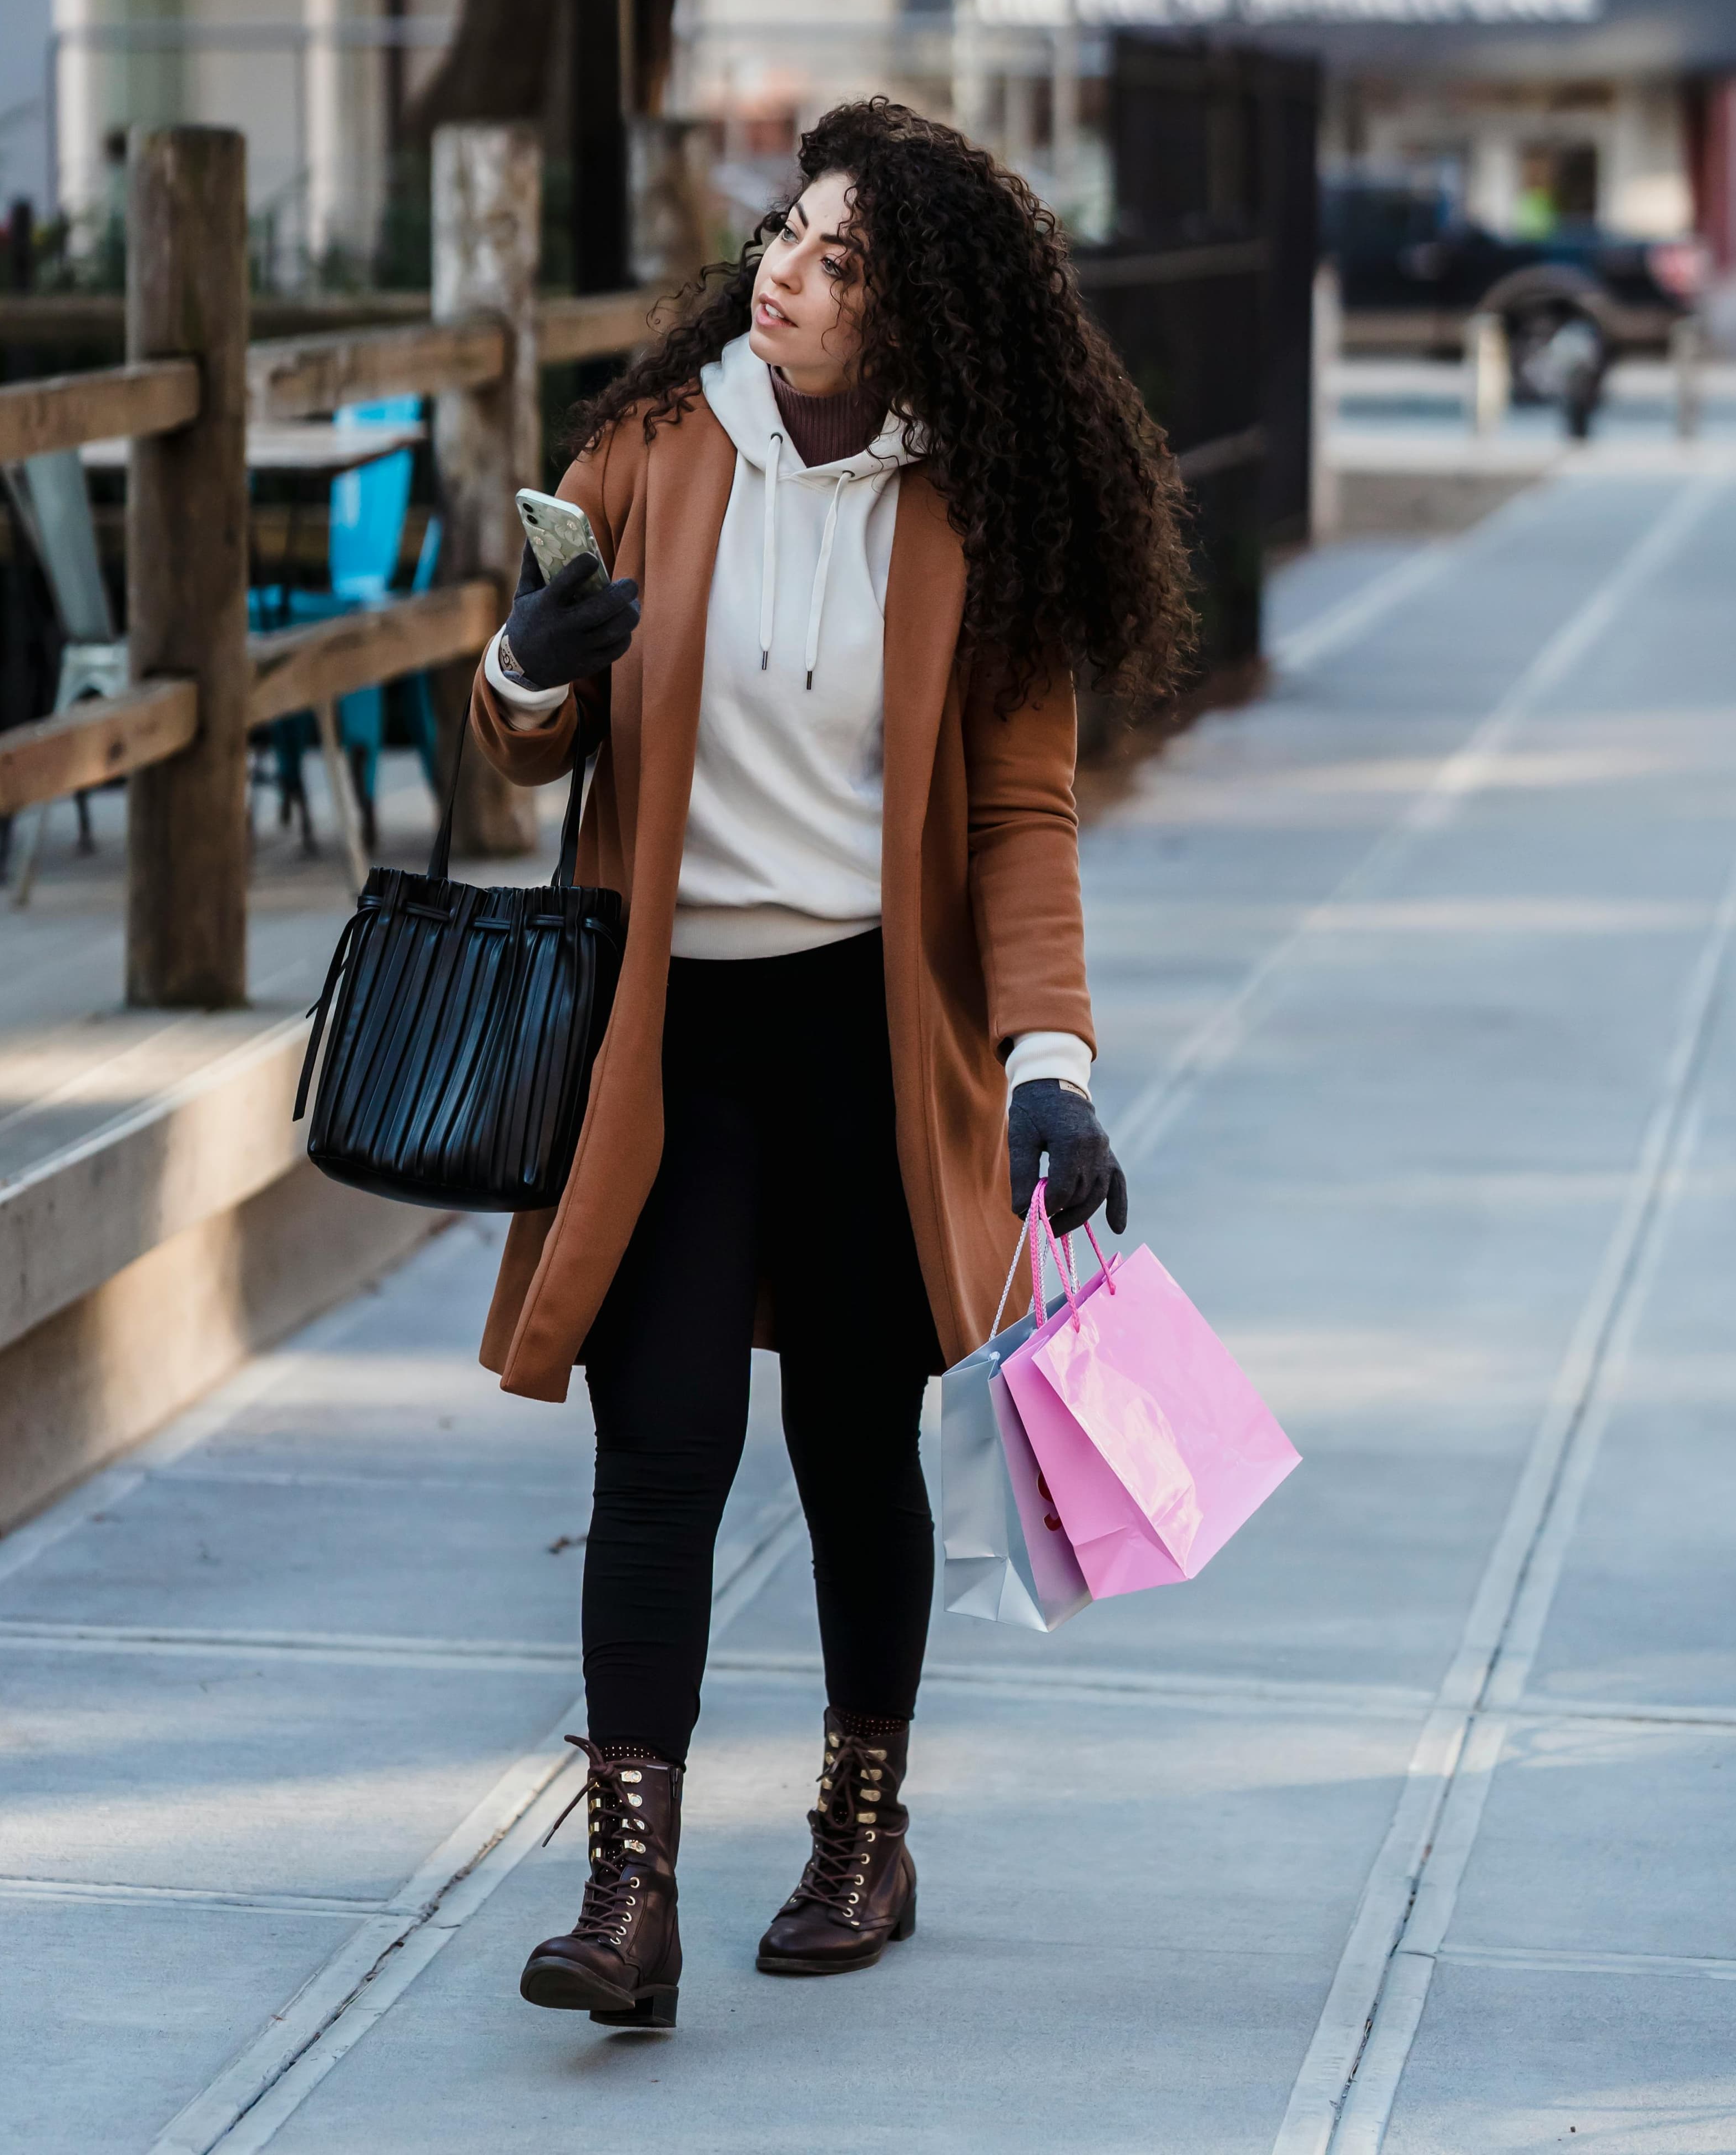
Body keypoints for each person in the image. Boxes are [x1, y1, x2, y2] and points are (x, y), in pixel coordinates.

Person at [468, 98, 1193, 2031]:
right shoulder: (645, 447)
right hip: (672, 1043)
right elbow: (519, 742)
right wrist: (536, 662)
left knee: (857, 1448)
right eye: (789, 235)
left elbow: (1019, 820)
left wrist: (1048, 1062)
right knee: (663, 1454)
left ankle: (863, 1826)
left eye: (842, 261)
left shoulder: (979, 511)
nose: (786, 272)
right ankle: (630, 1892)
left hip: (875, 1046)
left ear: (919, 318)